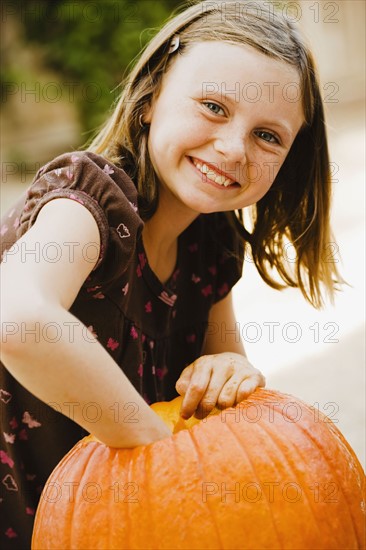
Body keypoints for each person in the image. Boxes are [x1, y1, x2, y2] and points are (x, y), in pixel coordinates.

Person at [0, 0, 341, 547]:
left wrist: (230, 369)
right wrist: (151, 443)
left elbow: (226, 376)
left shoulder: (212, 242)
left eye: (268, 136)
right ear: (150, 99)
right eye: (212, 106)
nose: (233, 148)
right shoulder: (88, 201)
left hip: (119, 523)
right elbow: (17, 320)